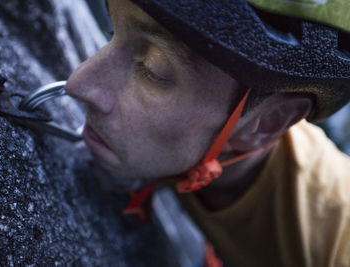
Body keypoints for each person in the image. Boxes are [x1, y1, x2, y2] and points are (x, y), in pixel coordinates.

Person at [65, 0, 350, 266]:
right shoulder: (196, 149)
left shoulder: (336, 238)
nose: (77, 84)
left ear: (268, 123)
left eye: (153, 69)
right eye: (112, 30)